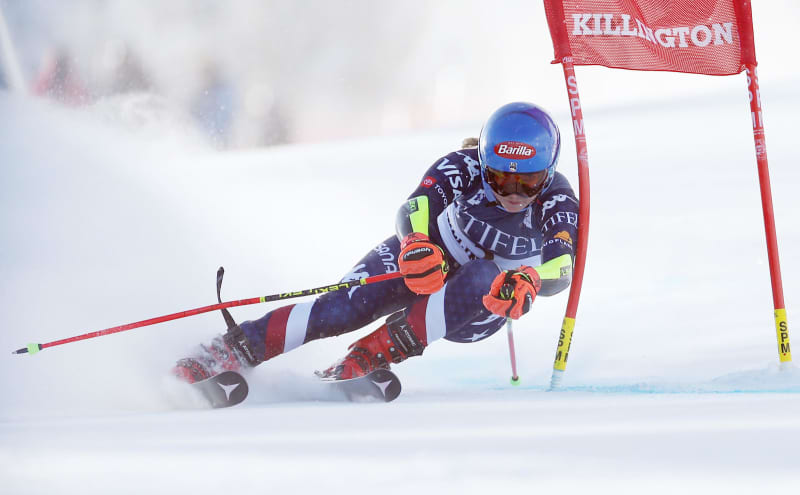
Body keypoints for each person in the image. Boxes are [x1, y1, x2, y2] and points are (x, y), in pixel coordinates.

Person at [172, 102, 579, 383]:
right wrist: (416, 243)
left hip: (483, 304)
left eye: (528, 181)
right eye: (501, 178)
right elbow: (415, 205)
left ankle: (373, 353)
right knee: (340, 307)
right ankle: (230, 350)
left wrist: (530, 279)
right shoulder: (463, 166)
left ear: (550, 170)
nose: (514, 192)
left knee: (484, 275)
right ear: (484, 161)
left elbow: (562, 267)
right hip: (430, 259)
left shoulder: (558, 197)